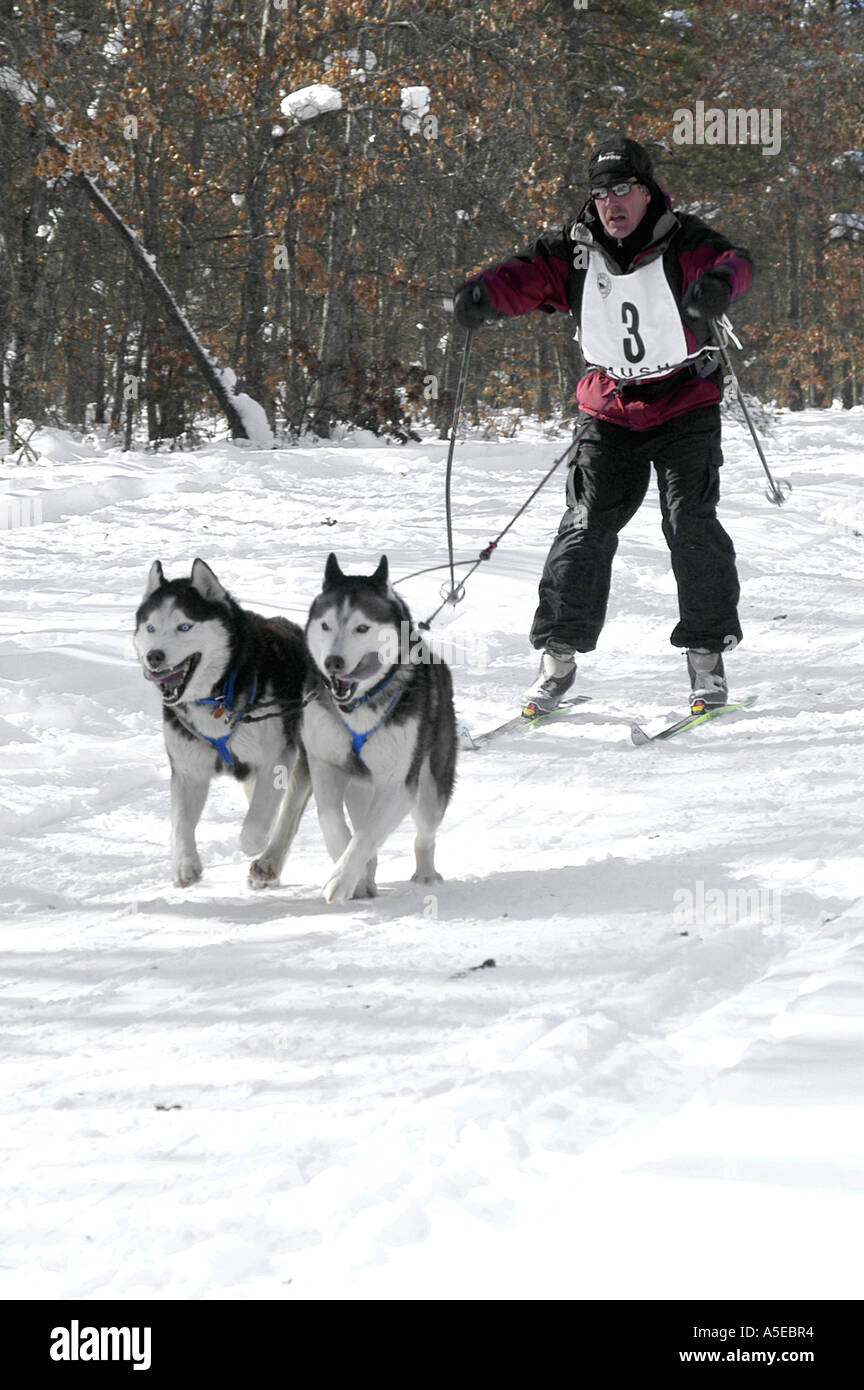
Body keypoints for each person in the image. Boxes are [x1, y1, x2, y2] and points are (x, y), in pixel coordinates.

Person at [453, 135, 753, 714]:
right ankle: (558, 658)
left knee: (689, 520)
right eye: (600, 192)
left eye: (622, 189)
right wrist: (481, 294)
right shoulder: (574, 250)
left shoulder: (682, 239)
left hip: (685, 399)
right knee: (585, 526)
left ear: (647, 192)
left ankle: (706, 657)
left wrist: (716, 287)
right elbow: (520, 278)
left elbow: (732, 263)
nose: (611, 202)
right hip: (612, 405)